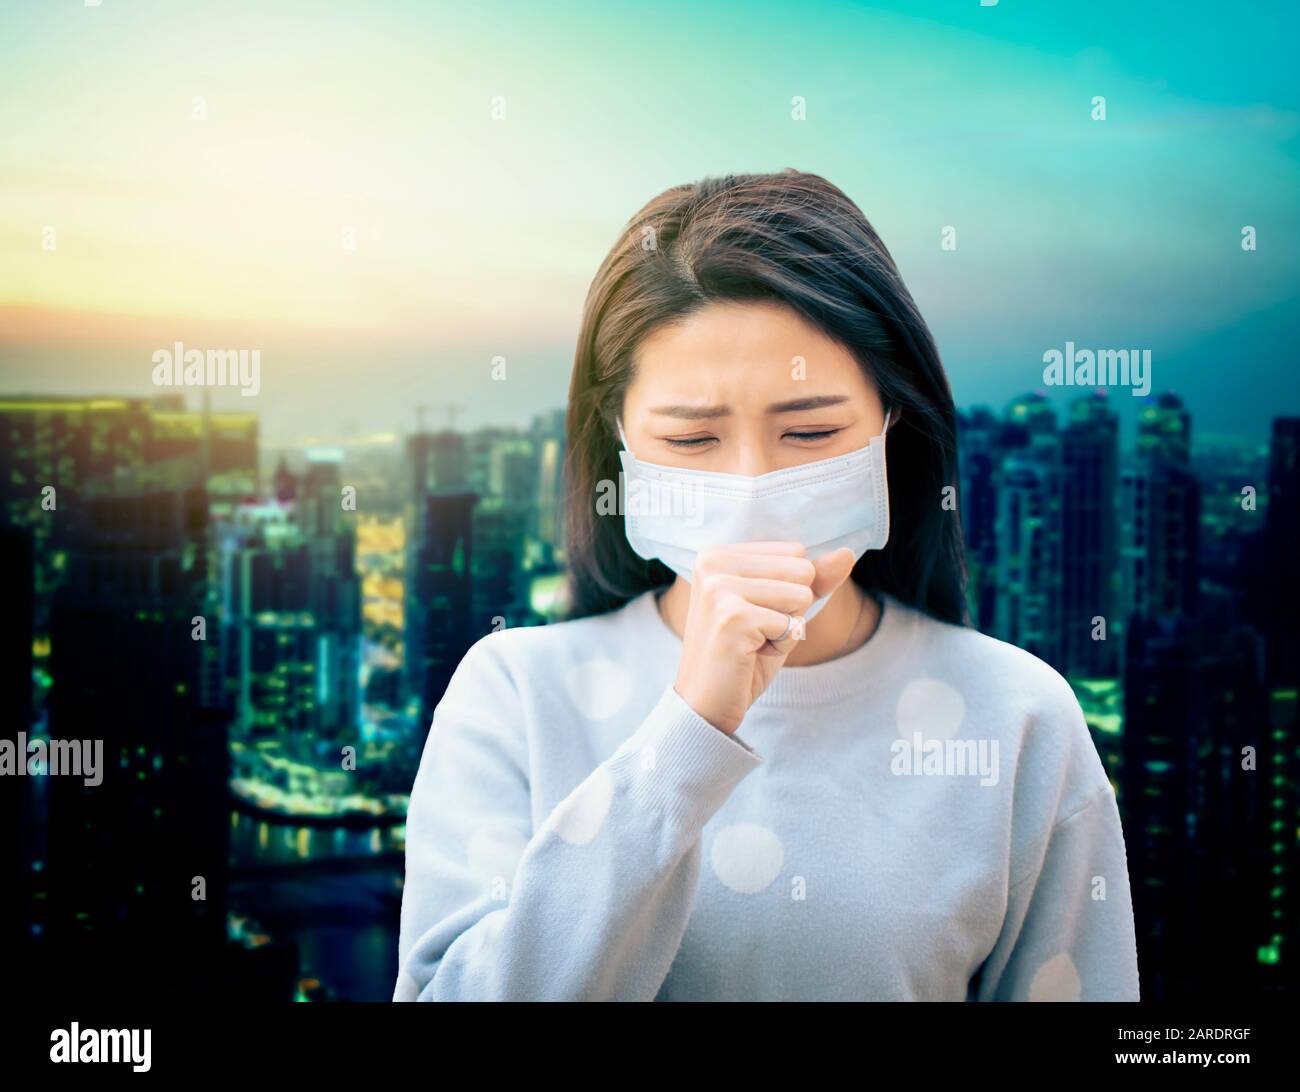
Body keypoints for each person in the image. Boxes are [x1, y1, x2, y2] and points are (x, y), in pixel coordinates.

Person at [393, 169, 1141, 1001]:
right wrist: (690, 731)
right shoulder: (513, 695)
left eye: (811, 431)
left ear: (892, 420)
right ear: (619, 434)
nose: (752, 485)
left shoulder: (1019, 715)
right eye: (692, 438)